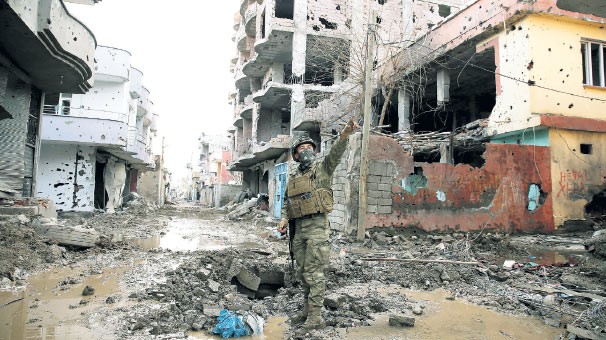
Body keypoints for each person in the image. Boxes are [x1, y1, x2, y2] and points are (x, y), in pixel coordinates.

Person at [277, 116, 359, 333]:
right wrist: (284, 219)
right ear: (295, 155)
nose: (305, 151)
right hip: (299, 229)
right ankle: (306, 311)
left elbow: (335, 154)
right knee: (303, 271)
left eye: (308, 147)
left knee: (314, 273)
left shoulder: (322, 170)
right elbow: (288, 202)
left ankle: (315, 318)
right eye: (301, 148)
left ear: (313, 151)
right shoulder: (293, 177)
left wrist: (344, 135)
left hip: (316, 227)